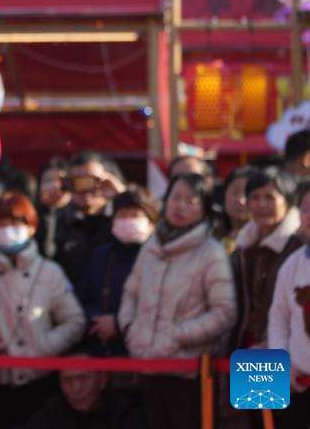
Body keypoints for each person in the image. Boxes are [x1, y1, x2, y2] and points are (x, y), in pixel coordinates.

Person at [118, 173, 236, 429]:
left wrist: (176, 336)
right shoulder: (151, 246)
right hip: (147, 364)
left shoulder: (211, 252)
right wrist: (130, 329)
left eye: (191, 201)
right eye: (175, 198)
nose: (180, 206)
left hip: (188, 371)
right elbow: (131, 293)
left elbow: (225, 312)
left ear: (204, 208)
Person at [0, 192, 85, 429]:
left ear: (32, 227)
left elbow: (74, 320)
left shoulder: (50, 271)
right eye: (1, 224)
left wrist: (45, 347)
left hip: (39, 383)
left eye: (16, 224)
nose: (7, 230)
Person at [76, 188, 159, 357]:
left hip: (147, 351)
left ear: (151, 223)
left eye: (135, 215)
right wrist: (96, 318)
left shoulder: (161, 257)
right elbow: (81, 298)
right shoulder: (101, 255)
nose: (127, 221)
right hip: (103, 349)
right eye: (122, 215)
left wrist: (119, 324)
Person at [230, 166, 303, 351]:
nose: (261, 205)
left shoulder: (298, 248)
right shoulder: (243, 248)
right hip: (244, 343)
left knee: (266, 381)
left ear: (288, 201)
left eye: (270, 197)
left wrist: (273, 343)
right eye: (254, 197)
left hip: (282, 347)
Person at [267, 181, 310, 429]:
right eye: (305, 209)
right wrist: (282, 364)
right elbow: (279, 320)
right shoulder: (292, 264)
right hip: (297, 383)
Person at [15, 349, 146, 429]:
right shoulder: (56, 409)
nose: (76, 389)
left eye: (83, 378)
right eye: (67, 380)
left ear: (103, 380)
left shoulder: (126, 411)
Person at [55, 151, 125, 286]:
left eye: (91, 181)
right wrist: (49, 209)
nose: (83, 189)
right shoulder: (58, 220)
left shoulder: (122, 219)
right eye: (76, 182)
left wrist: (122, 197)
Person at [34, 157, 71, 259]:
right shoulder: (32, 216)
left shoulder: (80, 215)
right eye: (48, 180)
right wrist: (48, 210)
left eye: (61, 180)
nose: (55, 185)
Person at [221, 165, 257, 254]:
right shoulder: (210, 235)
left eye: (247, 194)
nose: (241, 201)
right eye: (235, 192)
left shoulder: (261, 242)